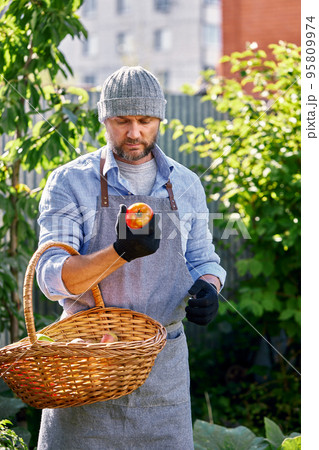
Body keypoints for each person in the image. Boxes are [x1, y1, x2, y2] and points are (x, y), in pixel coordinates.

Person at [36, 66, 226, 450]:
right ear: (105, 118)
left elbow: (204, 258)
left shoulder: (186, 184)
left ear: (160, 119)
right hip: (88, 367)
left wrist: (210, 288)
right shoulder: (70, 181)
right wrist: (119, 252)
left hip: (163, 373)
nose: (134, 132)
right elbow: (51, 277)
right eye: (122, 120)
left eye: (145, 120)